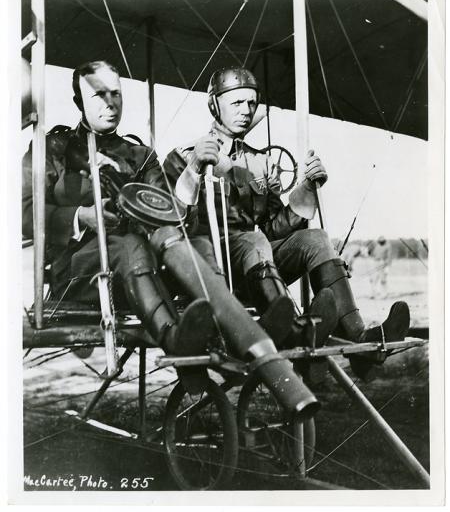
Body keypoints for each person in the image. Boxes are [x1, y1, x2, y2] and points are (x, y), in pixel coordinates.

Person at [22, 60, 321, 418]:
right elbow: (22, 213)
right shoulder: (51, 149)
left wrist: (194, 171)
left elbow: (175, 213)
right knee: (131, 246)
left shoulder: (140, 155)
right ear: (78, 100)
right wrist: (81, 216)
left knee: (198, 243)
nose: (109, 102)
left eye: (115, 93)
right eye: (98, 94)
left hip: (136, 277)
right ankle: (178, 341)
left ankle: (231, 339)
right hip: (79, 276)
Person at [163, 67, 410, 365]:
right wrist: (193, 169)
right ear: (215, 104)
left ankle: (358, 337)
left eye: (251, 103)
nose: (246, 111)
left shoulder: (259, 162)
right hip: (210, 273)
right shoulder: (184, 154)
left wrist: (306, 188)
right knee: (253, 239)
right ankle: (292, 331)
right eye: (236, 102)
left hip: (254, 267)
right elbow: (170, 220)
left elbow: (274, 227)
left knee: (316, 238)